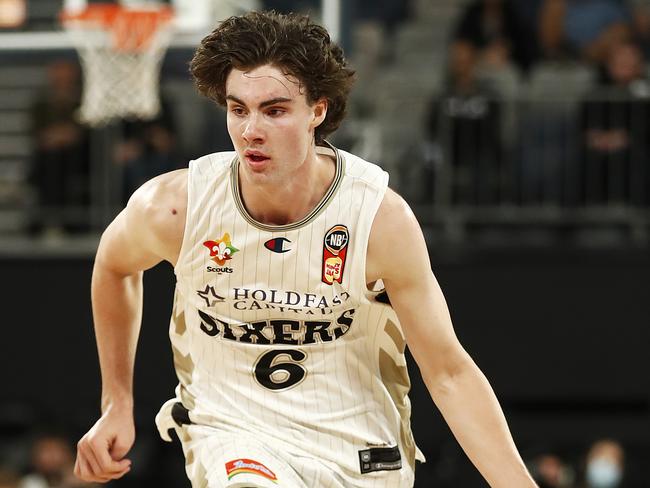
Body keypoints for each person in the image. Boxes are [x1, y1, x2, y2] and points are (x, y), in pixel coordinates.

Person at [73, 11, 537, 488]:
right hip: (236, 436)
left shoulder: (378, 220)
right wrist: (117, 402)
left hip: (358, 447)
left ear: (317, 110)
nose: (251, 129)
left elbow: (448, 373)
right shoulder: (176, 208)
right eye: (238, 109)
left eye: (274, 111)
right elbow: (113, 266)